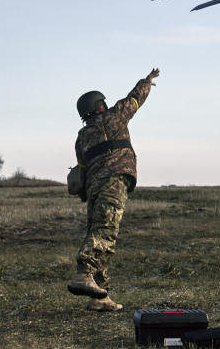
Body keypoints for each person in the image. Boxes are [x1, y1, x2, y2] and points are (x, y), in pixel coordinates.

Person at [67, 68, 160, 312]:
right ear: (99, 106)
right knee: (105, 232)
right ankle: (84, 272)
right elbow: (135, 99)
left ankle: (100, 295)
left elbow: (82, 169)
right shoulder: (114, 117)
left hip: (95, 188)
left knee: (99, 232)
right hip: (113, 181)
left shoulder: (82, 136)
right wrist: (147, 81)